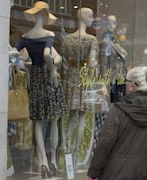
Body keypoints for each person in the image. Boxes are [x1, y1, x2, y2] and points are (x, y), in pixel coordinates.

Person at [15, 1, 66, 178]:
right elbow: (46, 54)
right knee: (53, 118)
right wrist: (52, 70)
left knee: (37, 120)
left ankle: (43, 160)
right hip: (48, 77)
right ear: (44, 16)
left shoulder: (26, 36)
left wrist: (23, 67)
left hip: (35, 78)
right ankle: (52, 160)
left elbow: (14, 55)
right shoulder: (48, 34)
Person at [61, 7, 98, 168]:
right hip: (83, 79)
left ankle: (67, 151)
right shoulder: (91, 40)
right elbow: (91, 63)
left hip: (70, 77)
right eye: (90, 16)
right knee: (82, 116)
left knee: (71, 117)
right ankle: (76, 155)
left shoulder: (67, 39)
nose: (92, 19)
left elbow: (63, 63)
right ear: (83, 17)